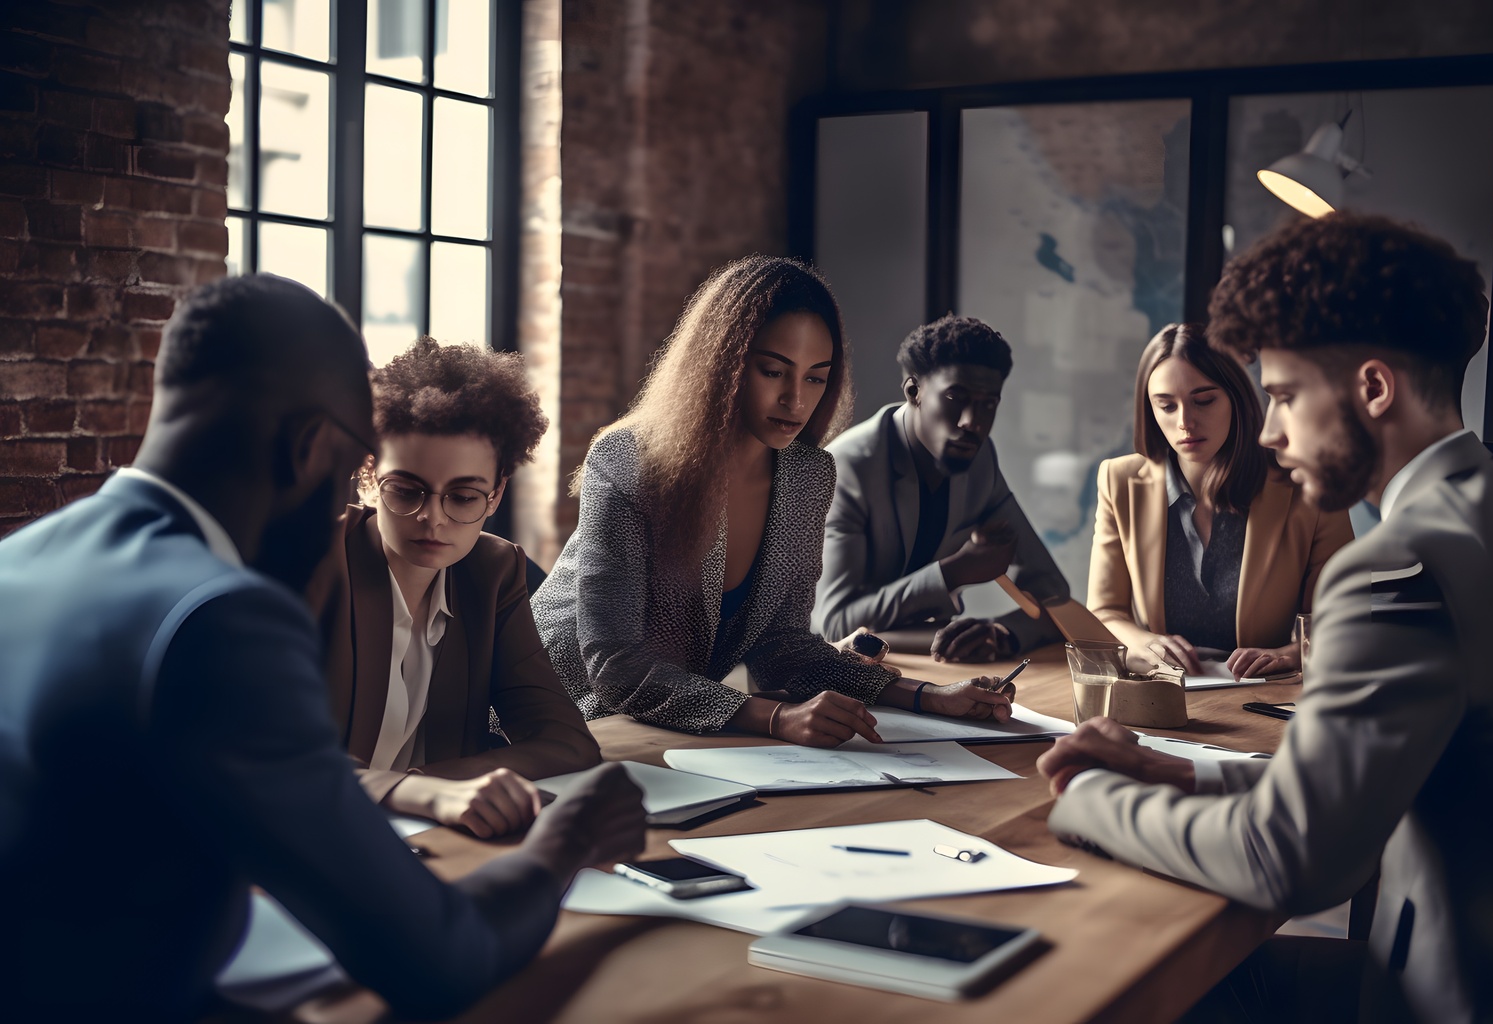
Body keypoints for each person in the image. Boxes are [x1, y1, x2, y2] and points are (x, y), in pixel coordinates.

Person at [0, 276, 645, 1020]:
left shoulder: (21, 559)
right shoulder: (223, 617)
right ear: (313, 448)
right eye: (356, 470)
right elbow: (442, 958)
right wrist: (563, 845)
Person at [1041, 213, 1493, 1022]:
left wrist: (1086, 799)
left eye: (1284, 396)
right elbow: (1392, 772)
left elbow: (1287, 860)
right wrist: (1188, 770)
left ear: (1374, 389)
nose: (1268, 432)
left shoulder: (1394, 568)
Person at [532, 257, 1016, 746]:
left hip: (667, 733)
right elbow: (616, 665)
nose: (796, 400)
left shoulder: (807, 475)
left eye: (815, 377)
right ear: (720, 365)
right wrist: (774, 718)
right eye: (773, 371)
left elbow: (783, 647)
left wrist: (929, 696)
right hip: (551, 722)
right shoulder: (626, 462)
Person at [309, 337, 600, 840]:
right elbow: (275, 760)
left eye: (463, 497)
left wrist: (430, 787)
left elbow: (567, 741)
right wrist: (419, 794)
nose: (433, 519)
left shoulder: (493, 571)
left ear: (497, 494)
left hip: (429, 843)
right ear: (369, 476)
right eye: (406, 490)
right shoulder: (313, 563)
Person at [1087, 323, 1353, 678]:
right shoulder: (1119, 480)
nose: (1185, 422)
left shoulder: (1307, 486)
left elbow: (1341, 616)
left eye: (1204, 400)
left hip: (1266, 693)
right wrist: (1139, 642)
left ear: (1237, 399)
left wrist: (1292, 654)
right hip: (1163, 691)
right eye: (1166, 406)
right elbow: (1104, 612)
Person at [812, 314, 1070, 662]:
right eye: (955, 397)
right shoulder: (847, 467)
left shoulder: (979, 461)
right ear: (913, 391)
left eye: (988, 404)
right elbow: (834, 623)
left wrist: (1001, 633)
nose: (972, 422)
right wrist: (955, 572)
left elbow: (1053, 593)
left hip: (928, 665)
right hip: (824, 675)